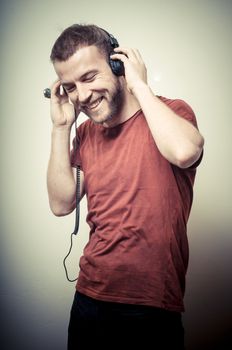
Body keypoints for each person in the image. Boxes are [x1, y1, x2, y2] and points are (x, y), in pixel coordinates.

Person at [46, 23, 204, 349]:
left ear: (118, 64)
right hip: (88, 299)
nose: (83, 95)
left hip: (150, 307)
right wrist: (61, 128)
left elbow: (185, 151)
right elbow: (61, 204)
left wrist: (139, 86)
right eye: (71, 86)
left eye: (90, 77)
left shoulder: (172, 111)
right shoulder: (86, 133)